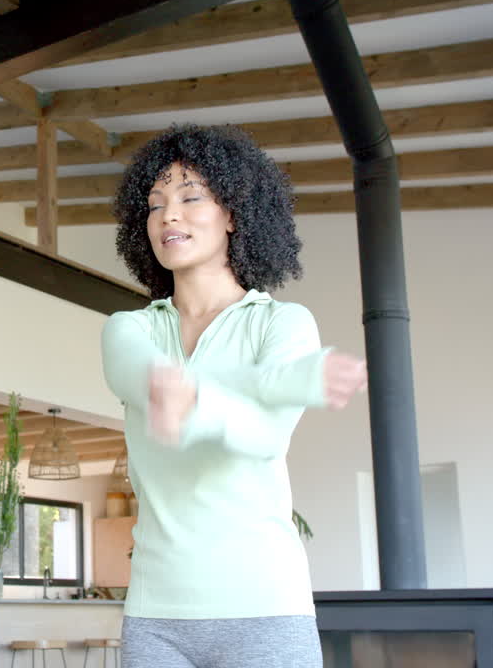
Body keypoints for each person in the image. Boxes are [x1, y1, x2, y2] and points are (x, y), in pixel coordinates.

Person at [100, 125, 368, 668]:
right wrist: (175, 388)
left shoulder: (283, 323)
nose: (168, 216)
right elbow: (138, 373)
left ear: (233, 214)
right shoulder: (131, 328)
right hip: (157, 616)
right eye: (155, 204)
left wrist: (196, 402)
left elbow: (264, 436)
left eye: (190, 197)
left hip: (266, 609)